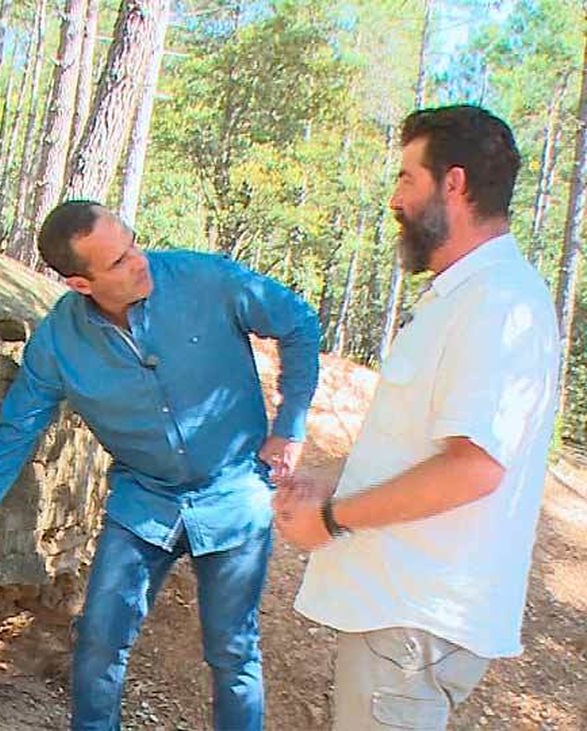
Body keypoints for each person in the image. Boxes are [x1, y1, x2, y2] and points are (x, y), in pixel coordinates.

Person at [0, 200, 320, 730]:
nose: (140, 261)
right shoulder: (58, 344)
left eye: (133, 242)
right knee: (98, 645)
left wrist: (289, 423)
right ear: (80, 284)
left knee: (232, 653)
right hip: (145, 501)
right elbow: (13, 437)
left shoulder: (206, 279)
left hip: (233, 494)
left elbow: (298, 322)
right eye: (118, 261)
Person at [276, 105, 560, 730]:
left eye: (407, 178)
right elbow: (425, 450)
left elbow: (473, 470)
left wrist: (331, 518)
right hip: (407, 615)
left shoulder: (498, 303)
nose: (396, 198)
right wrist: (333, 480)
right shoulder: (466, 297)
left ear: (452, 184)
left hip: (416, 620)